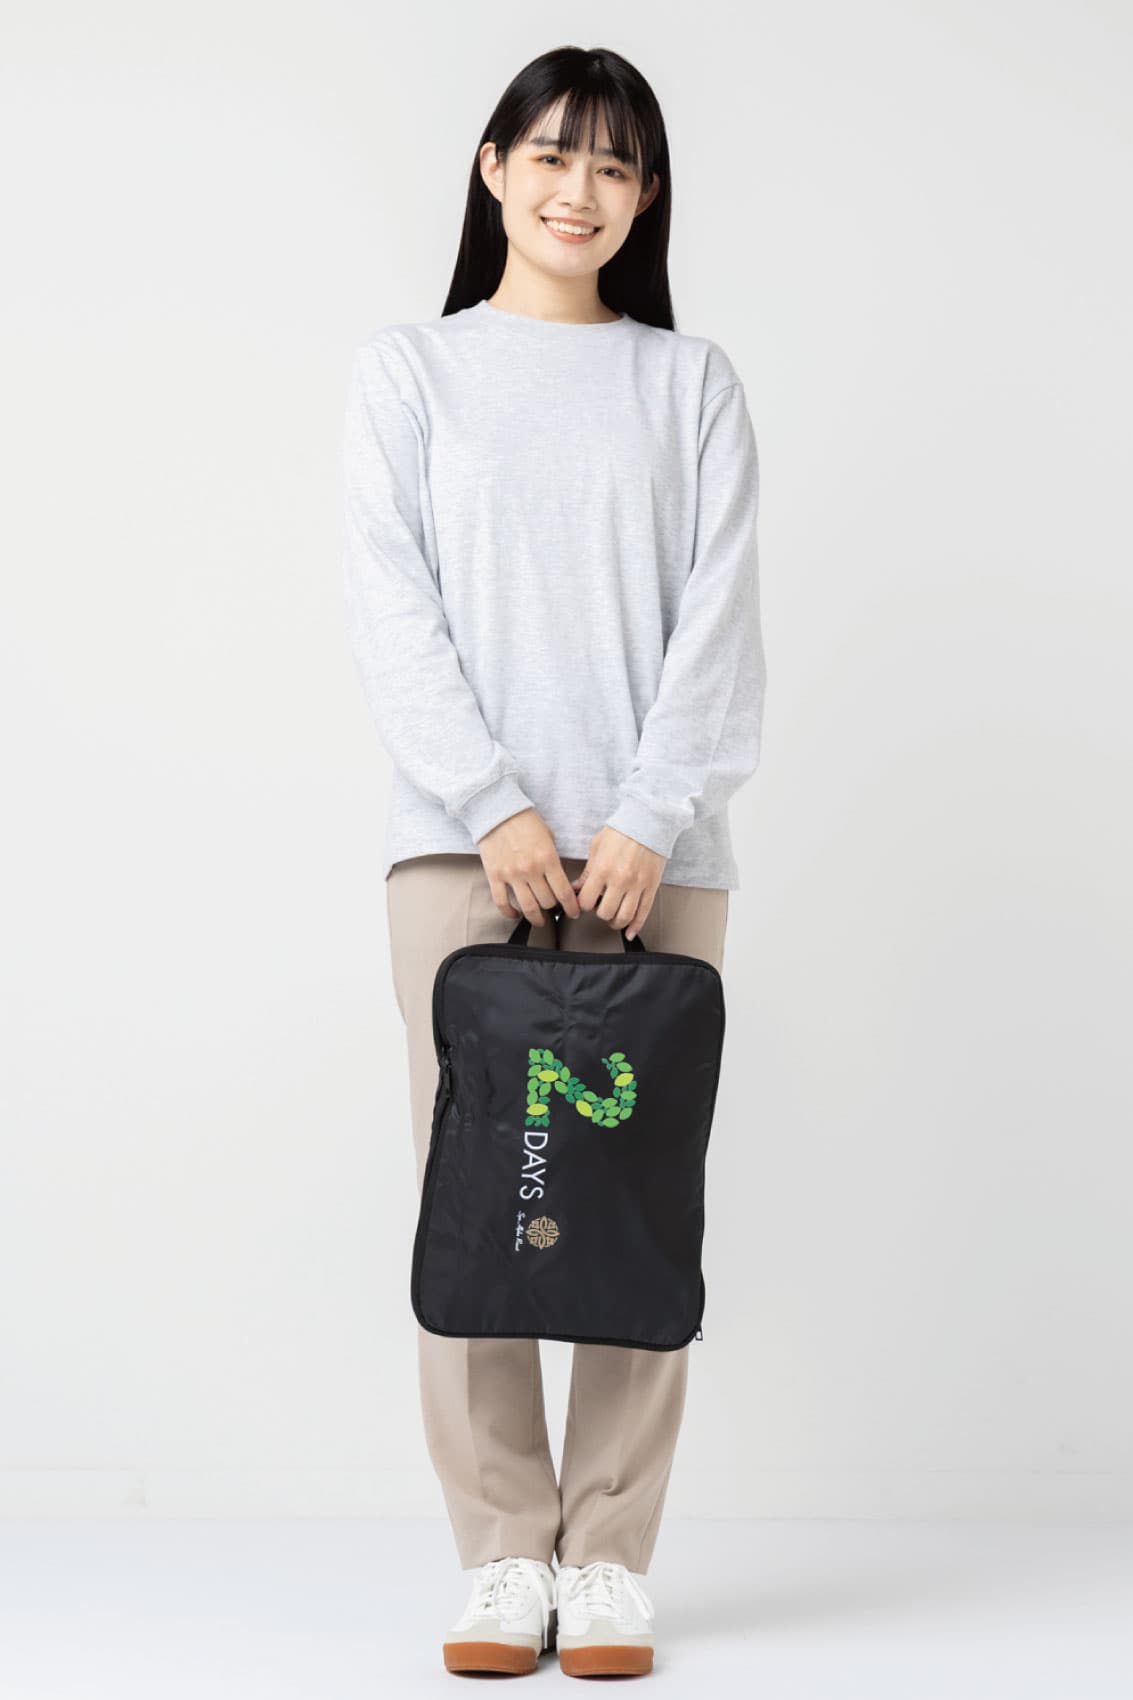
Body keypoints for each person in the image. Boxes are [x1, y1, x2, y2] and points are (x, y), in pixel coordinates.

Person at [341, 44, 766, 1679]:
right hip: (464, 861)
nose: (577, 190)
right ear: (492, 166)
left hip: (661, 861)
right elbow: (392, 607)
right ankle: (504, 1553)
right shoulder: (411, 374)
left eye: (614, 164)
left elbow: (720, 616)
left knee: (636, 1197)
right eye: (551, 155)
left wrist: (645, 815)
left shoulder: (689, 383)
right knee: (482, 1198)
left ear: (645, 196)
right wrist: (493, 805)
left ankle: (609, 1561)